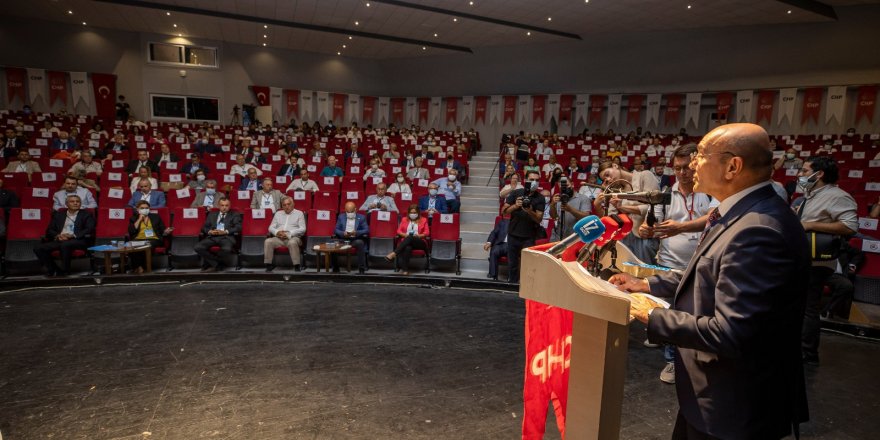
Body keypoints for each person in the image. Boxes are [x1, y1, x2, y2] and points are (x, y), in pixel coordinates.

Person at [610, 123, 809, 439]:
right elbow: (707, 275)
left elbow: (732, 333)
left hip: (733, 407)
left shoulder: (758, 230)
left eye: (700, 155)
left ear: (733, 167)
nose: (691, 164)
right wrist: (647, 286)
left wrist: (648, 313)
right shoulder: (739, 213)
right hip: (710, 399)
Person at [637, 143, 719, 384]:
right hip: (669, 262)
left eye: (687, 167)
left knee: (695, 314)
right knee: (673, 311)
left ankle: (693, 359)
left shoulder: (710, 191)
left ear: (697, 166)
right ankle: (672, 361)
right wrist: (647, 229)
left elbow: (713, 219)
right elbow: (657, 224)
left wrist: (680, 227)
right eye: (677, 168)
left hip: (701, 264)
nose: (683, 173)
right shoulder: (665, 194)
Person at [792, 156, 858, 365]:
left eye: (804, 171)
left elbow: (850, 226)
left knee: (808, 308)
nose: (800, 175)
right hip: (803, 259)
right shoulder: (809, 195)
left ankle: (807, 354)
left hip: (818, 262)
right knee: (800, 307)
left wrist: (811, 225)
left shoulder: (838, 196)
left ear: (819, 174)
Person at [598, 159, 661, 264]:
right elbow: (610, 218)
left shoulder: (645, 175)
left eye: (607, 174)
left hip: (644, 235)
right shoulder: (616, 190)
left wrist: (622, 207)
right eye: (605, 180)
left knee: (645, 273)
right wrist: (600, 202)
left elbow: (654, 207)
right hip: (625, 237)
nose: (608, 179)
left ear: (615, 165)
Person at [33, 195, 96, 277]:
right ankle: (53, 269)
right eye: (72, 201)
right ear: (66, 204)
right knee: (38, 248)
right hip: (61, 239)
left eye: (78, 201)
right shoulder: (59, 215)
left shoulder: (86, 214)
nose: (75, 203)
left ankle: (65, 271)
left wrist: (72, 235)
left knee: (65, 245)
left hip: (78, 240)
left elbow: (89, 229)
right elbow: (49, 230)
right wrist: (58, 236)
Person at [502, 170, 546, 283]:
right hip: (513, 234)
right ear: (526, 180)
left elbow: (539, 219)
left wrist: (530, 211)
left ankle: (526, 287)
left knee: (528, 264)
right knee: (512, 264)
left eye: (537, 180)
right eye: (531, 180)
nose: (534, 182)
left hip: (529, 236)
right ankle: (512, 285)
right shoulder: (516, 193)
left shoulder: (540, 198)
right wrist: (515, 206)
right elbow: (504, 212)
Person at [194, 197, 241, 272]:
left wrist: (225, 231)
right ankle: (218, 264)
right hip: (213, 236)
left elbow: (238, 227)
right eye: (222, 205)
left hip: (226, 237)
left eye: (226, 205)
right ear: (218, 206)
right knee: (198, 247)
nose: (224, 207)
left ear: (230, 206)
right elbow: (204, 227)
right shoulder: (212, 214)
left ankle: (210, 263)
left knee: (226, 249)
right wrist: (210, 231)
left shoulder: (234, 214)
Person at [127, 200, 172, 273]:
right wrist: (139, 219)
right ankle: (138, 267)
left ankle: (141, 267)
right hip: (138, 239)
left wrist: (166, 231)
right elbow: (131, 231)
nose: (145, 209)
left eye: (146, 208)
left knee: (147, 245)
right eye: (142, 208)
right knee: (133, 246)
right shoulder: (133, 218)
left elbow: (162, 230)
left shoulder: (156, 217)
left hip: (153, 239)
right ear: (137, 209)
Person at [385, 204, 429, 276]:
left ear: (418, 213)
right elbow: (398, 231)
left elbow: (427, 233)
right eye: (411, 212)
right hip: (407, 242)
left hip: (419, 242)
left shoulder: (423, 220)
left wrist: (419, 235)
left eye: (415, 213)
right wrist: (405, 235)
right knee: (407, 247)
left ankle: (394, 253)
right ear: (408, 213)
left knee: (411, 237)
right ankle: (405, 270)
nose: (413, 214)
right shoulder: (404, 219)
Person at [264, 196, 306, 272]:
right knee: (268, 241)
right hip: (279, 237)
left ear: (293, 204)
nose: (287, 206)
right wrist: (277, 232)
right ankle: (268, 265)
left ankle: (297, 266)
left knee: (292, 242)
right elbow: (271, 227)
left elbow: (303, 229)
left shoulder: (299, 213)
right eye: (284, 205)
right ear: (282, 206)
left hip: (293, 237)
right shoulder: (278, 213)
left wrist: (289, 233)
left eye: (288, 204)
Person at [549, 177, 592, 241]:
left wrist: (570, 209)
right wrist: (552, 204)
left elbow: (586, 217)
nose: (565, 188)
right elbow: (554, 216)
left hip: (576, 236)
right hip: (558, 236)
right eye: (562, 187)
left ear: (572, 184)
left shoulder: (583, 198)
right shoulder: (558, 198)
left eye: (567, 185)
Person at [334, 201, 369, 274]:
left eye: (351, 211)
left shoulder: (361, 217)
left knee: (360, 243)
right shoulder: (341, 217)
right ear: (345, 210)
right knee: (332, 243)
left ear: (355, 209)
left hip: (354, 240)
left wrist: (356, 233)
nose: (350, 213)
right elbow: (336, 230)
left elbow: (366, 230)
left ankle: (361, 269)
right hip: (343, 239)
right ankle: (335, 268)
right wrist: (343, 233)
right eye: (348, 212)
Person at [484, 217, 509, 281]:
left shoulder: (519, 224)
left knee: (512, 254)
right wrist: (489, 242)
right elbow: (494, 233)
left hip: (512, 246)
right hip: (500, 244)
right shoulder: (503, 222)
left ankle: (511, 277)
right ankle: (494, 276)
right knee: (494, 252)